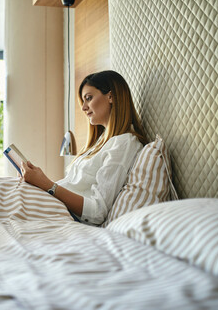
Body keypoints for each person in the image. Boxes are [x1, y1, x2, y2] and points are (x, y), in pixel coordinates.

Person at [21, 70, 148, 225]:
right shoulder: (101, 142)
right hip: (50, 204)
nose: (83, 108)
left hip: (64, 215)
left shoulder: (124, 143)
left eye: (88, 98)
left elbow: (97, 211)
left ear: (111, 96)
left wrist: (47, 185)